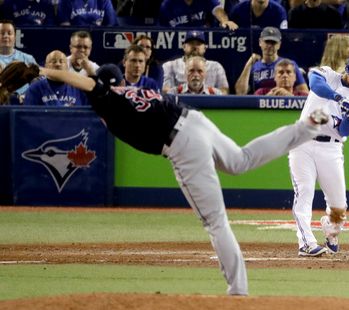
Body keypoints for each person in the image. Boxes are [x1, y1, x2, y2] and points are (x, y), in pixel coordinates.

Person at [37, 62, 329, 295]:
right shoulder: (126, 92)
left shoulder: (107, 100)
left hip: (181, 143)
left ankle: (238, 291)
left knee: (215, 221)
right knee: (241, 160)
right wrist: (87, 67)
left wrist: (42, 71)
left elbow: (88, 83)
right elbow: (97, 75)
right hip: (194, 120)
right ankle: (306, 127)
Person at [288, 52, 349, 256]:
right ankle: (306, 243)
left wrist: (348, 116)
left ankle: (330, 228)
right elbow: (315, 85)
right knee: (304, 192)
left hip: (331, 148)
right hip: (302, 142)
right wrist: (338, 98)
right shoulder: (327, 74)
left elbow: (345, 131)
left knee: (339, 207)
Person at [235, 27, 308, 95]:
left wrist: (289, 97)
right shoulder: (253, 66)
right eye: (267, 42)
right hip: (260, 103)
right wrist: (249, 64)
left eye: (273, 42)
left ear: (279, 44)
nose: (270, 45)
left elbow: (304, 94)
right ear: (260, 42)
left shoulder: (289, 65)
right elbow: (240, 93)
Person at [162, 30, 229, 95]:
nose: (194, 47)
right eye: (191, 43)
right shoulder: (170, 65)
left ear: (205, 48)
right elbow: (166, 91)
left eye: (198, 44)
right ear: (184, 46)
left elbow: (224, 91)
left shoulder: (216, 66)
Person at [24, 50, 89, 106]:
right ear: (46, 66)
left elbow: (87, 116)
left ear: (67, 67)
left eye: (61, 61)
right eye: (53, 61)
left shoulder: (78, 88)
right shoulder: (34, 88)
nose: (58, 64)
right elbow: (28, 117)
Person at [0, 20, 37, 99]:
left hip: (25, 102)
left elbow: (37, 83)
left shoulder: (28, 58)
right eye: (2, 33)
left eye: (9, 33)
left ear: (15, 36)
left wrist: (28, 95)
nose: (6, 36)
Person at [158, 0, 238, 30]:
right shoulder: (167, 5)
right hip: (177, 43)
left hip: (201, 40)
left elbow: (217, 9)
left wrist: (225, 21)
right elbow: (162, 31)